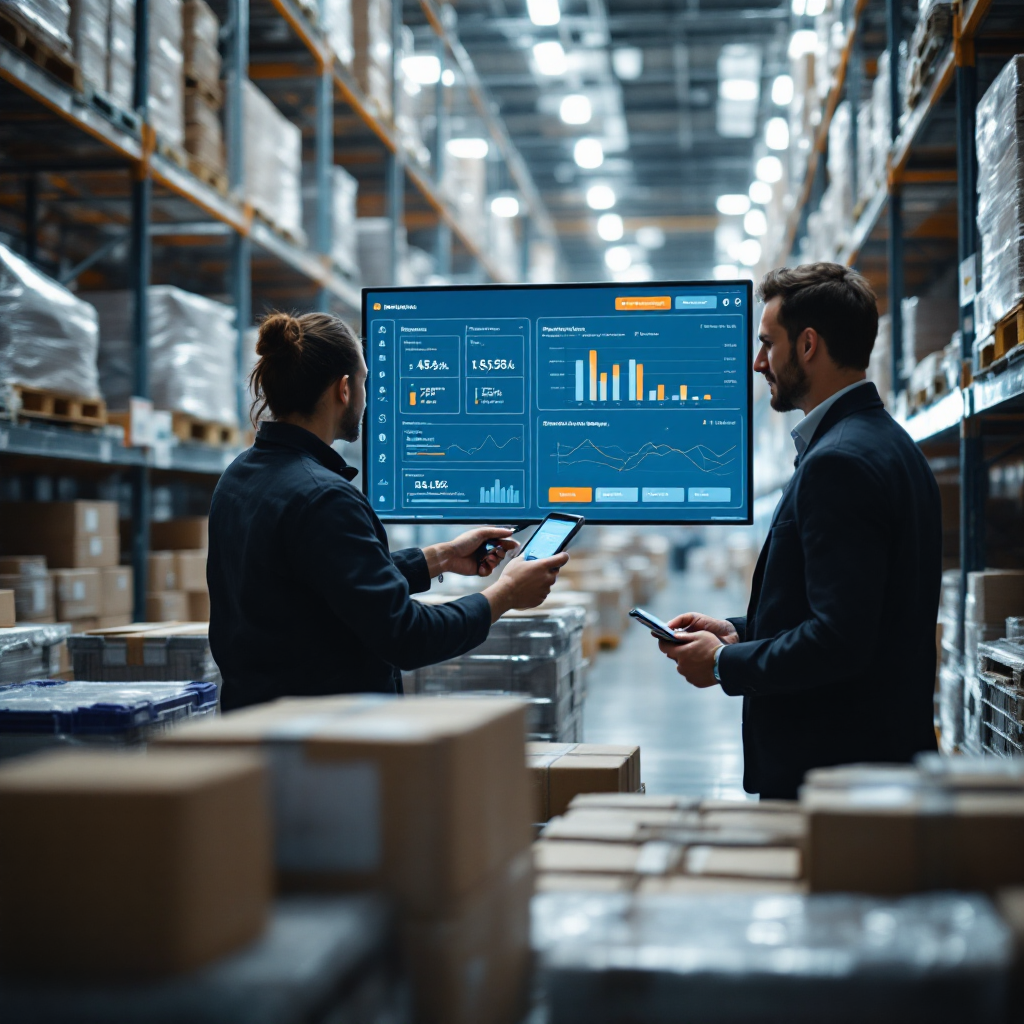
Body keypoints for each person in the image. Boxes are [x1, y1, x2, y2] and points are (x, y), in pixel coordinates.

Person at [658, 263, 941, 799]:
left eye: (768, 343)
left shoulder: (841, 463)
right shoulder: (885, 443)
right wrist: (744, 630)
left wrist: (722, 664)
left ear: (808, 345)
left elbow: (839, 639)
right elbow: (857, 609)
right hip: (871, 762)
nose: (758, 362)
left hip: (837, 773)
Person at [207, 311, 567, 711]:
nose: (367, 395)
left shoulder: (240, 475)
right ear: (344, 389)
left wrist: (440, 557)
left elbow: (321, 583)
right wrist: (506, 593)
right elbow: (407, 636)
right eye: (364, 381)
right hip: (324, 746)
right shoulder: (323, 497)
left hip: (255, 729)